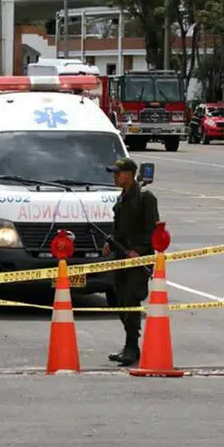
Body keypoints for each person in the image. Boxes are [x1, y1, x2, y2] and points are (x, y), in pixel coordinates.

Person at [102, 157, 159, 367]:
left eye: (118, 173)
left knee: (131, 299)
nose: (115, 176)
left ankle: (132, 347)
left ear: (130, 173)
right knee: (119, 300)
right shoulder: (122, 197)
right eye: (114, 173)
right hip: (120, 257)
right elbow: (119, 227)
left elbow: (152, 229)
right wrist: (110, 241)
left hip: (137, 259)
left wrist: (139, 251)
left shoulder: (145, 197)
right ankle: (128, 343)